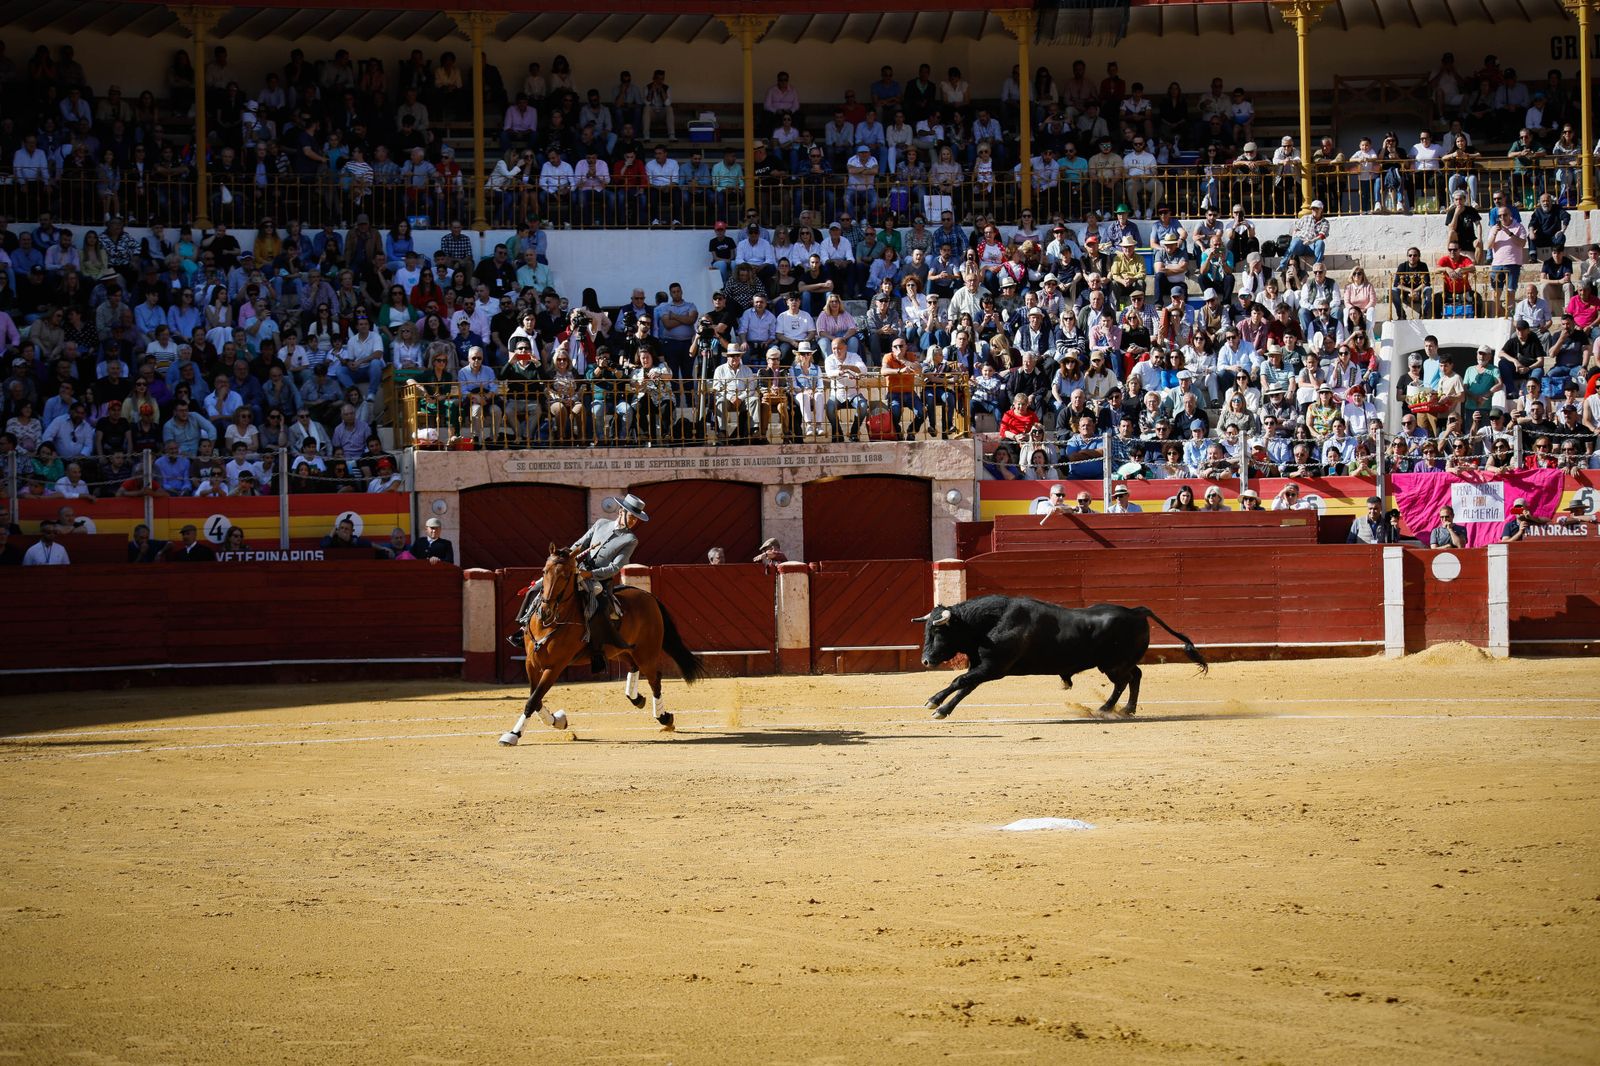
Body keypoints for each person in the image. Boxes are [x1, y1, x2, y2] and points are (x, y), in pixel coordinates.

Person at [507, 493, 649, 673]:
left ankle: (597, 652)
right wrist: (565, 558)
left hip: (599, 580)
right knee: (536, 589)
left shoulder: (630, 539)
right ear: (621, 511)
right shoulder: (601, 524)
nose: (634, 521)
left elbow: (615, 567)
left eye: (637, 518)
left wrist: (589, 573)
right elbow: (579, 544)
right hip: (575, 570)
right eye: (632, 516)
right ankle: (523, 629)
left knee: (599, 608)